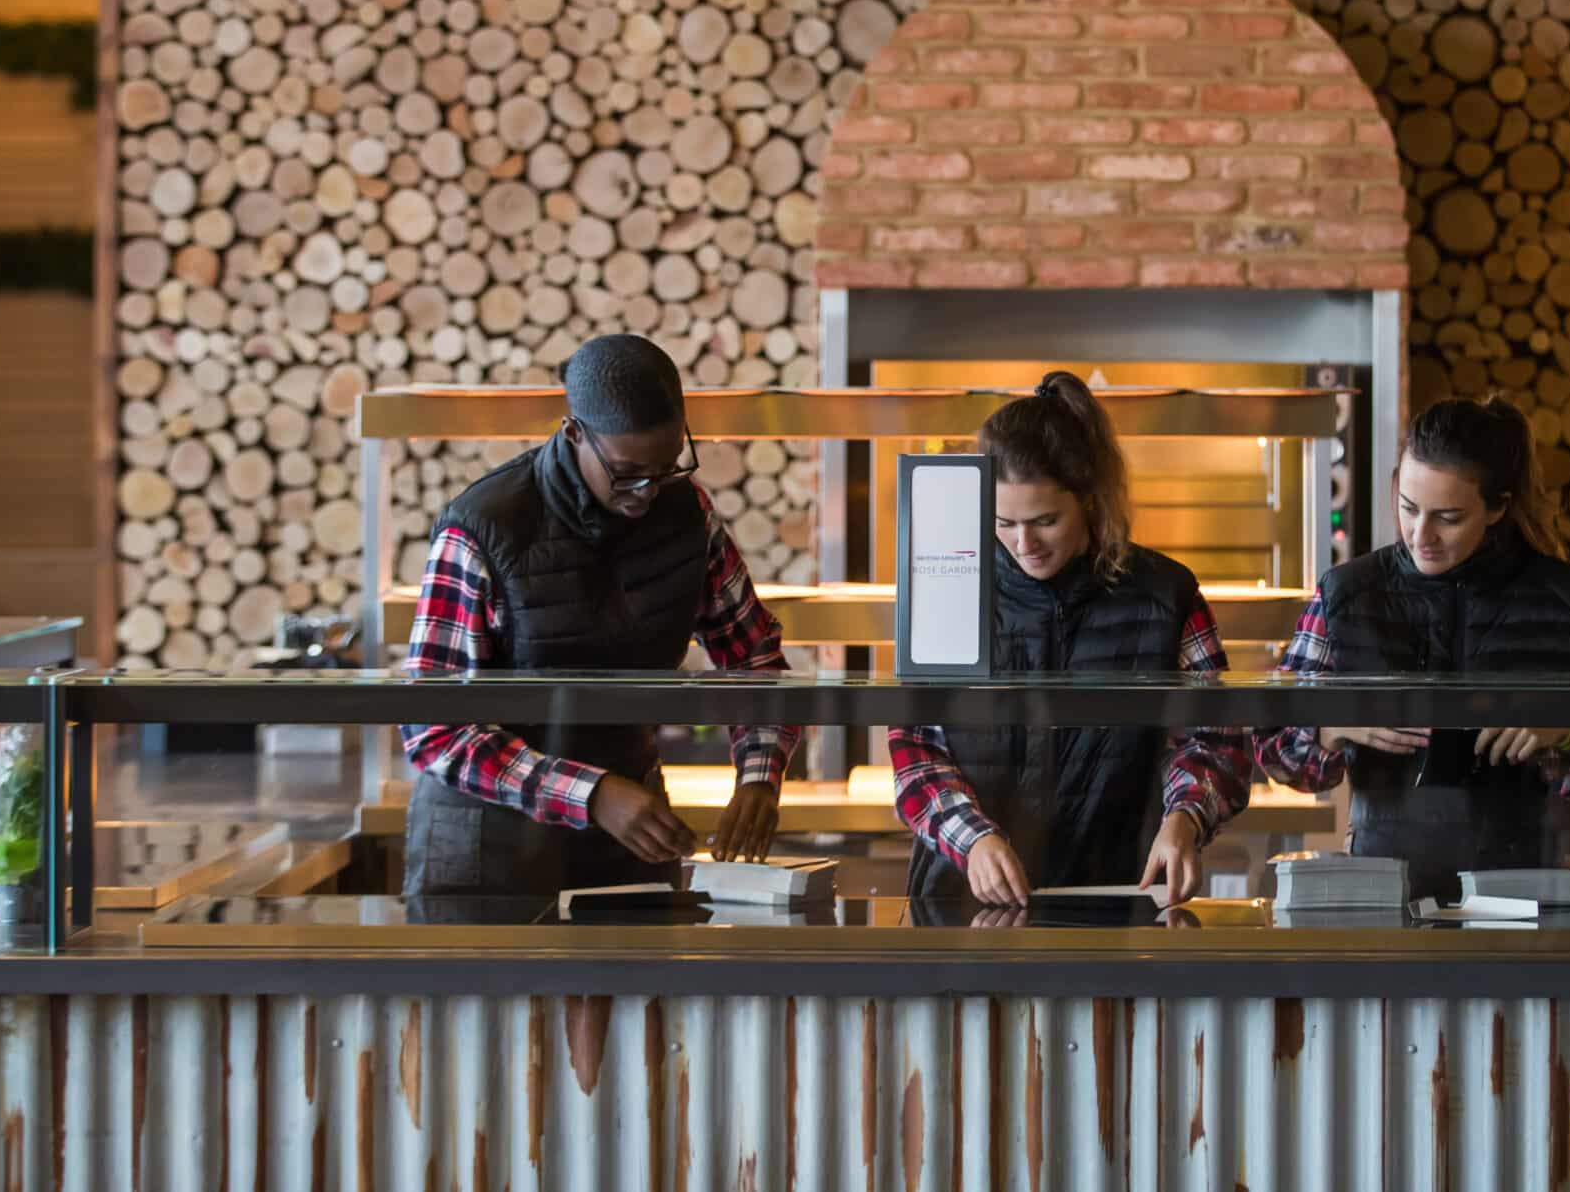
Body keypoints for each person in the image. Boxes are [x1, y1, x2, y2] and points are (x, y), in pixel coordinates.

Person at [400, 335, 799, 896]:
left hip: (631, 827)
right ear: (573, 434)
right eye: (627, 473)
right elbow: (434, 727)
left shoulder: (689, 515)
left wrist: (759, 777)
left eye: (666, 468)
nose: (647, 493)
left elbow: (754, 658)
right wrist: (592, 794)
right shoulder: (480, 529)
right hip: (487, 838)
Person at [1257, 395, 1570, 904]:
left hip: (1526, 891)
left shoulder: (1568, 599)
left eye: (1449, 517)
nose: (1422, 536)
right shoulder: (1345, 595)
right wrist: (1330, 729)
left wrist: (1567, 736)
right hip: (1382, 889)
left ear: (1498, 507)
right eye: (1408, 508)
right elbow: (1274, 749)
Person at [889, 372, 1251, 910]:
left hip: (1115, 893)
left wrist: (1185, 817)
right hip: (963, 899)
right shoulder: (946, 587)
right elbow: (916, 747)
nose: (1024, 544)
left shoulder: (1167, 594)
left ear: (1090, 500)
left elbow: (1217, 741)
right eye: (1003, 522)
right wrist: (973, 839)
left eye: (1046, 521)